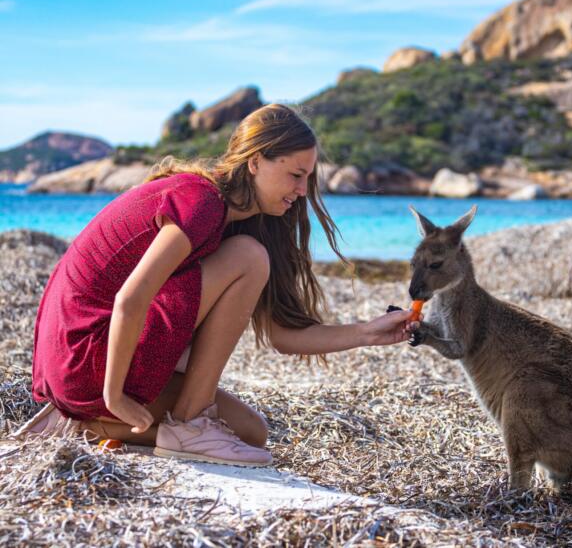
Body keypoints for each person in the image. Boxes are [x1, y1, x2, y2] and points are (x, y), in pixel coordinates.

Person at [13, 104, 418, 467]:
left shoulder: (238, 218)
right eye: (296, 175)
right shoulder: (202, 201)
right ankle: (187, 423)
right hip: (91, 363)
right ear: (256, 162)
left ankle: (83, 424)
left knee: (251, 433)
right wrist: (115, 396)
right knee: (247, 256)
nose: (301, 191)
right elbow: (129, 298)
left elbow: (281, 335)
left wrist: (368, 333)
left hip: (81, 369)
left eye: (307, 179)